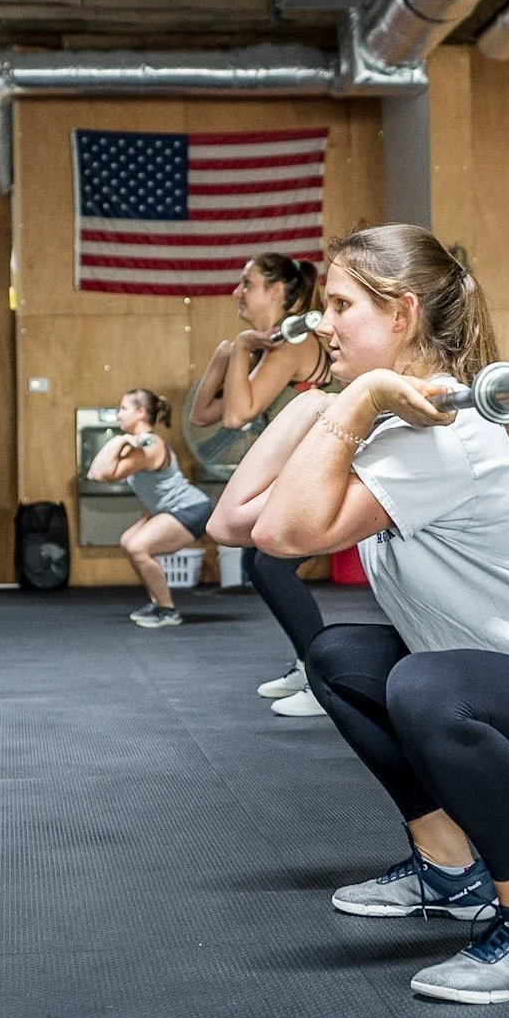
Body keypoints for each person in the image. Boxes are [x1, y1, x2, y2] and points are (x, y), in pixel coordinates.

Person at [208, 224, 509, 1005]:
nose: (322, 323)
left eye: (339, 304)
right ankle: (449, 869)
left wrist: (351, 403)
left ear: (402, 315)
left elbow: (282, 535)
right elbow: (237, 522)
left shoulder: (444, 438)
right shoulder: (393, 423)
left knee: (425, 684)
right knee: (340, 660)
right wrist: (323, 402)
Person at [189, 254, 332, 716]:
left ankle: (323, 680)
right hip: (302, 474)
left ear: (276, 290)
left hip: (326, 473)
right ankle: (308, 664)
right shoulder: (271, 345)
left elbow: (235, 414)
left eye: (247, 283)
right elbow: (203, 416)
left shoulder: (292, 344)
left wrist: (244, 348)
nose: (238, 292)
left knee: (269, 567)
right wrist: (226, 354)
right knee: (262, 563)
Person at [85, 389, 212, 629]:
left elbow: (101, 474)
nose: (118, 414)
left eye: (124, 409)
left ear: (141, 412)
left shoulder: (149, 445)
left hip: (190, 508)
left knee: (138, 546)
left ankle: (168, 610)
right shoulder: (138, 443)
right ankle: (158, 603)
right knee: (128, 541)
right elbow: (95, 473)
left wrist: (118, 440)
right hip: (170, 510)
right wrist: (123, 440)